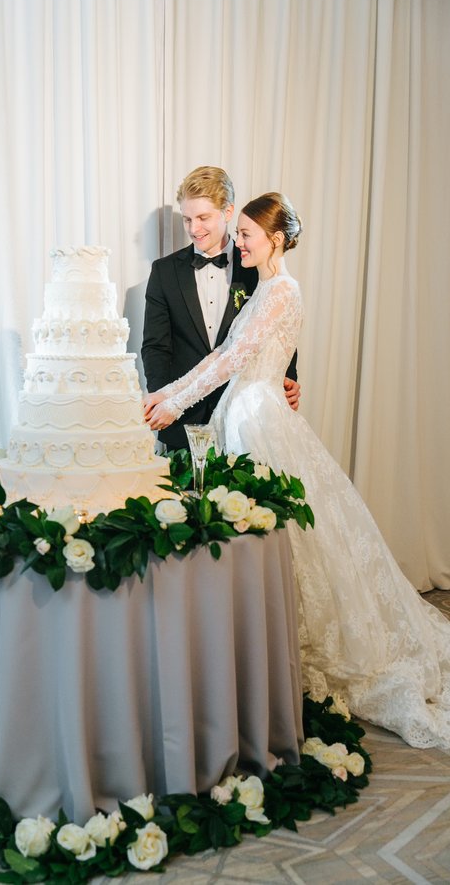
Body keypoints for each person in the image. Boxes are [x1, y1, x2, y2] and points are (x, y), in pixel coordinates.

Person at [144, 192, 450, 751]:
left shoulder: (283, 291)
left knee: (292, 541)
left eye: (246, 236)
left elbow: (234, 360)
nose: (238, 244)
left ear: (276, 239)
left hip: (260, 418)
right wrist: (165, 394)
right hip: (243, 414)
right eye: (236, 235)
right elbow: (221, 359)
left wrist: (174, 402)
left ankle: (297, 647)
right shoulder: (262, 287)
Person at [141, 166, 300, 452]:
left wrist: (287, 380)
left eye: (203, 217)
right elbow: (156, 347)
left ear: (227, 212)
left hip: (246, 419)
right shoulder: (164, 272)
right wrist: (164, 399)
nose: (193, 229)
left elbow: (274, 337)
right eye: (187, 219)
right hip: (182, 423)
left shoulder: (257, 266)